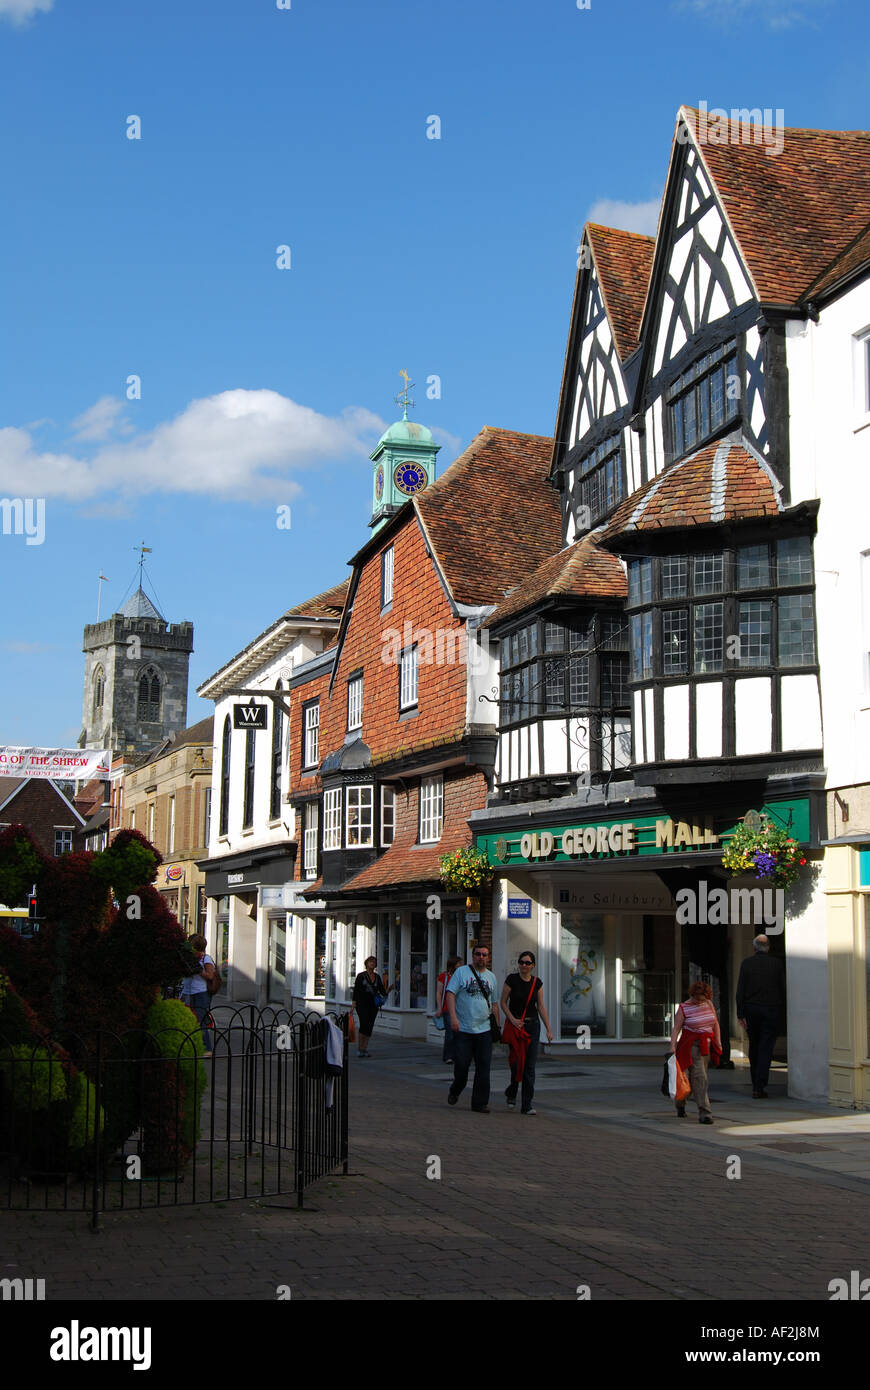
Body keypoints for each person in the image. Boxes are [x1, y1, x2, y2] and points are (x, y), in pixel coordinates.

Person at [445, 946, 500, 1113]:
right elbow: (450, 994)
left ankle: (479, 1103)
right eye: (478, 954)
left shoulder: (492, 977)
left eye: (484, 955)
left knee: (483, 1068)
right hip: (463, 1029)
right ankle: (456, 1089)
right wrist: (453, 1018)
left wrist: (497, 1026)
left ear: (488, 958)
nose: (481, 957)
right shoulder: (461, 972)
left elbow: (495, 1003)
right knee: (461, 1066)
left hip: (484, 1030)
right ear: (473, 956)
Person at [499, 951, 553, 1115]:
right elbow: (503, 1002)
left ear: (533, 966)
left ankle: (526, 1105)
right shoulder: (511, 980)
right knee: (516, 1064)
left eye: (527, 963)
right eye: (522, 962)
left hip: (532, 1026)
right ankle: (512, 1090)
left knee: (529, 1066)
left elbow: (541, 1007)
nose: (524, 965)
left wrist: (548, 1029)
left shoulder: (537, 983)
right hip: (516, 1027)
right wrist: (512, 1019)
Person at [736, 934, 786, 1098]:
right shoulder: (777, 964)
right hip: (771, 1009)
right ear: (768, 947)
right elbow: (782, 988)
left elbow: (740, 990)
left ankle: (755, 1083)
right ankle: (760, 1084)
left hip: (751, 1009)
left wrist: (740, 1013)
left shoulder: (747, 964)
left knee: (755, 1045)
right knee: (766, 1047)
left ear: (754, 947)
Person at [669, 980, 722, 1124]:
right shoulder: (684, 1007)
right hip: (691, 1047)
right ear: (693, 995)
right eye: (698, 998)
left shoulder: (708, 1004)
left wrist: (718, 1042)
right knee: (700, 1078)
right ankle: (705, 1113)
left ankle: (680, 1103)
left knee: (693, 1080)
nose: (700, 1001)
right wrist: (672, 1046)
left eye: (703, 998)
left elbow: (715, 1023)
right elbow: (676, 1029)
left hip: (706, 1046)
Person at [180, 933, 216, 1057]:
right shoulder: (190, 958)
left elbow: (210, 975)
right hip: (188, 990)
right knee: (187, 1018)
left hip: (200, 992)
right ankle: (191, 1045)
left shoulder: (206, 959)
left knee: (200, 1021)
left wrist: (198, 970)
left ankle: (207, 1048)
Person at [352, 956, 388, 1058]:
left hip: (373, 1005)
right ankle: (360, 1048)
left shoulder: (377, 977)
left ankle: (365, 1048)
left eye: (374, 962)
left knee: (369, 1026)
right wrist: (353, 1003)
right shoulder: (361, 976)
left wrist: (388, 990)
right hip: (362, 1004)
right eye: (370, 962)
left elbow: (382, 991)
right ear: (366, 964)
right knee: (363, 1024)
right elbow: (356, 990)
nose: (372, 964)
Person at [435, 955, 462, 1064]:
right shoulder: (444, 976)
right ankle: (448, 1056)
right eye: (459, 963)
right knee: (450, 1033)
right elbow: (439, 992)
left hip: (460, 1009)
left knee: (460, 1034)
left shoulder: (461, 976)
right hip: (447, 1008)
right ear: (454, 964)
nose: (461, 965)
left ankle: (458, 1054)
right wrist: (439, 1008)